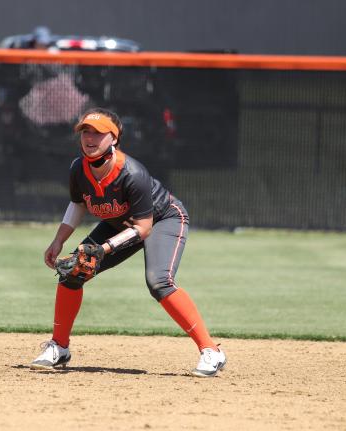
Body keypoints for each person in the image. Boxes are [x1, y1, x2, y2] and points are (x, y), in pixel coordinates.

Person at [30, 108, 226, 377]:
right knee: (73, 271)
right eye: (86, 131)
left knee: (159, 281)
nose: (90, 137)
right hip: (119, 224)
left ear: (114, 138)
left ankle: (211, 352)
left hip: (161, 219)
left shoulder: (132, 173)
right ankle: (59, 347)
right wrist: (58, 241)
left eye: (98, 133)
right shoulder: (79, 168)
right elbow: (78, 203)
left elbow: (143, 228)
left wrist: (104, 249)